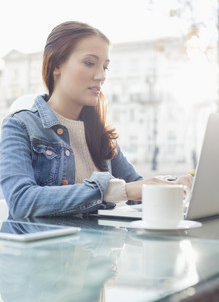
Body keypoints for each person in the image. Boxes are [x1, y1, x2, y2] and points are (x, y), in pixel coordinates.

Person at [0, 21, 193, 219]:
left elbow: (137, 187)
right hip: (45, 249)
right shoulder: (20, 126)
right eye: (90, 63)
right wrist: (114, 191)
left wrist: (174, 185)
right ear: (55, 64)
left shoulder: (99, 133)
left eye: (105, 67)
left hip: (101, 248)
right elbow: (21, 202)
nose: (101, 76)